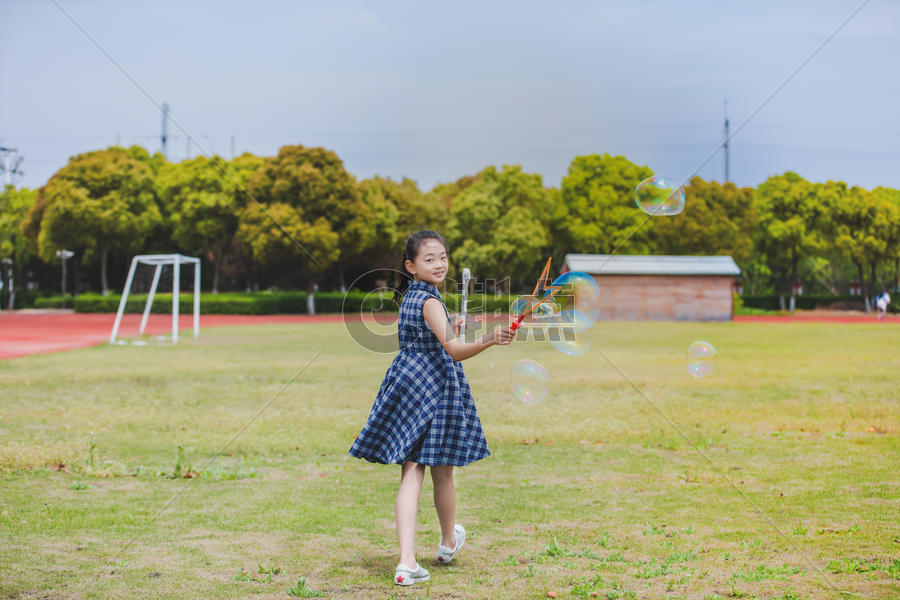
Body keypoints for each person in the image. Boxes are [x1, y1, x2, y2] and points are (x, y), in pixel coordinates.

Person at [349, 230, 514, 586]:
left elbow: (427, 335)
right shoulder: (431, 301)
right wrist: (490, 339)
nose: (439, 264)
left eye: (442, 257)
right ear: (411, 266)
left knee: (414, 469)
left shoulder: (414, 297)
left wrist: (449, 324)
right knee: (439, 470)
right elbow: (453, 350)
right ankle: (441, 545)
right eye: (429, 259)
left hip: (409, 383)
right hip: (433, 385)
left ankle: (419, 555)